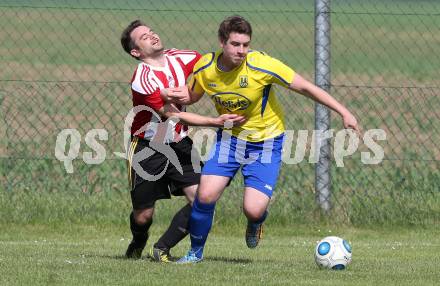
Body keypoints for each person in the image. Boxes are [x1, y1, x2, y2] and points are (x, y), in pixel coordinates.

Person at [163, 15, 359, 263]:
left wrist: (344, 111)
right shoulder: (205, 67)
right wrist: (173, 96)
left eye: (246, 44)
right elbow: (193, 96)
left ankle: (256, 222)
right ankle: (195, 253)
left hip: (266, 143)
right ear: (222, 42)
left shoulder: (262, 65)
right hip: (230, 141)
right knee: (205, 195)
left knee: (253, 209)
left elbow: (306, 87)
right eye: (235, 44)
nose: (242, 50)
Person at [120, 20, 246, 262]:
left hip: (179, 144)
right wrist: (216, 121)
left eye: (152, 31)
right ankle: (138, 240)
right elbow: (172, 114)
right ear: (136, 52)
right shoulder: (142, 79)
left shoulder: (182, 57)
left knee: (203, 198)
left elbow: (212, 63)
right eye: (144, 37)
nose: (153, 36)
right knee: (143, 216)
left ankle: (162, 248)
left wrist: (238, 59)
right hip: (147, 148)